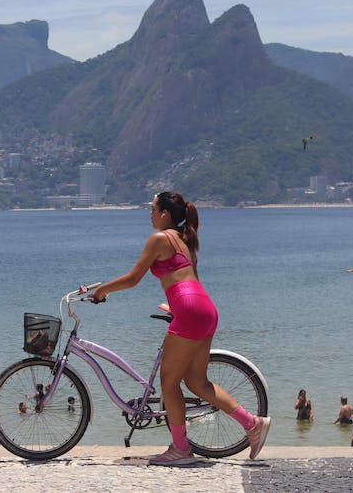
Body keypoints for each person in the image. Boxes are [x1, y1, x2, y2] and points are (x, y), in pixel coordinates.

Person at [91, 191, 270, 466]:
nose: (149, 214)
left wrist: (102, 289)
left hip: (189, 309)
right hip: (205, 308)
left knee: (169, 383)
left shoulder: (160, 238)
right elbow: (190, 280)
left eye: (152, 209)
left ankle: (181, 449)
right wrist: (179, 306)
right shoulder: (185, 240)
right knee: (197, 382)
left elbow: (133, 278)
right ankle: (252, 422)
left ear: (165, 214)